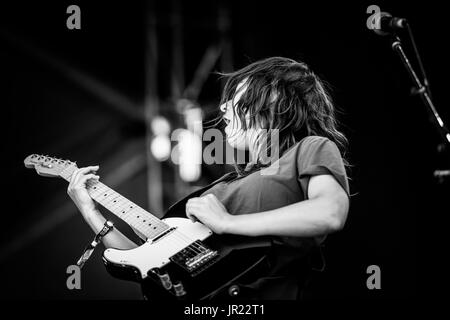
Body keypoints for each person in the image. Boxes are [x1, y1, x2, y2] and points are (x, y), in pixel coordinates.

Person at [67, 56, 350, 300]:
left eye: (235, 96)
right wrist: (89, 210)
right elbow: (147, 268)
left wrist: (229, 223)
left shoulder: (310, 148)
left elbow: (330, 212)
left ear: (271, 97)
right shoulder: (222, 185)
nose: (223, 107)